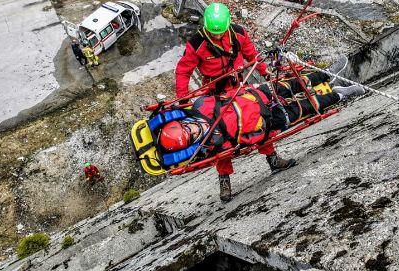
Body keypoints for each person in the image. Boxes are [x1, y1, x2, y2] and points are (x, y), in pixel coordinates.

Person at [155, 60, 362, 202]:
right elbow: (234, 149)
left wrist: (257, 70)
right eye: (191, 134)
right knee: (305, 108)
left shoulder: (200, 105)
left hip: (255, 95)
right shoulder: (212, 144)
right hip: (265, 122)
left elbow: (220, 92)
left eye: (187, 126)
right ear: (192, 142)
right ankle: (339, 95)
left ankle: (326, 73)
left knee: (291, 84)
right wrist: (261, 135)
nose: (193, 129)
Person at [174, 2, 266, 99]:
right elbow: (183, 71)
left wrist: (264, 70)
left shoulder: (239, 33)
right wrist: (182, 96)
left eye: (221, 33)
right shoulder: (196, 43)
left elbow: (252, 54)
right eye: (213, 33)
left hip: (237, 83)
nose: (217, 36)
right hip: (213, 90)